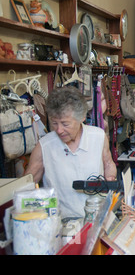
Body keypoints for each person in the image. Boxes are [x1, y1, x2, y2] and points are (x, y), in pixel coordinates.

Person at [24, 86, 117, 219]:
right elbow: (27, 187)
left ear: (82, 118)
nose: (59, 130)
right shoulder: (45, 146)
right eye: (54, 123)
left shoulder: (98, 136)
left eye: (65, 124)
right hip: (62, 224)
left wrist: (109, 182)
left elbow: (108, 164)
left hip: (97, 218)